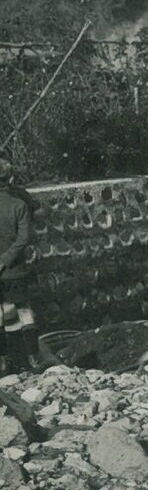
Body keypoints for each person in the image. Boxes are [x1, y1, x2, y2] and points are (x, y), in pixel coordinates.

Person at [0, 156, 36, 376]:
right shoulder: (20, 204)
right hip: (15, 270)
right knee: (24, 312)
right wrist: (5, 260)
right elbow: (24, 239)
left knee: (3, 314)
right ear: (10, 178)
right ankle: (31, 357)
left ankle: (4, 362)